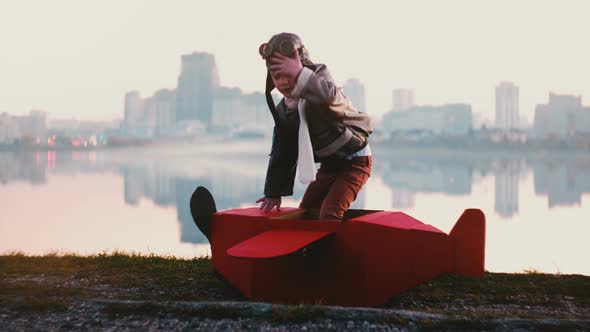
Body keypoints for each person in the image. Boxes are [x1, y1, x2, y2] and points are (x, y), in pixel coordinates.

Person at [256, 32, 373, 221]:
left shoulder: (320, 84)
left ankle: (335, 250)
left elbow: (328, 98)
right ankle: (307, 251)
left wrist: (302, 75)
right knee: (307, 211)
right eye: (277, 76)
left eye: (288, 75)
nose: (283, 82)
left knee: (329, 215)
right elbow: (283, 151)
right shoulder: (284, 110)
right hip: (329, 166)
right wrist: (273, 192)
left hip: (355, 162)